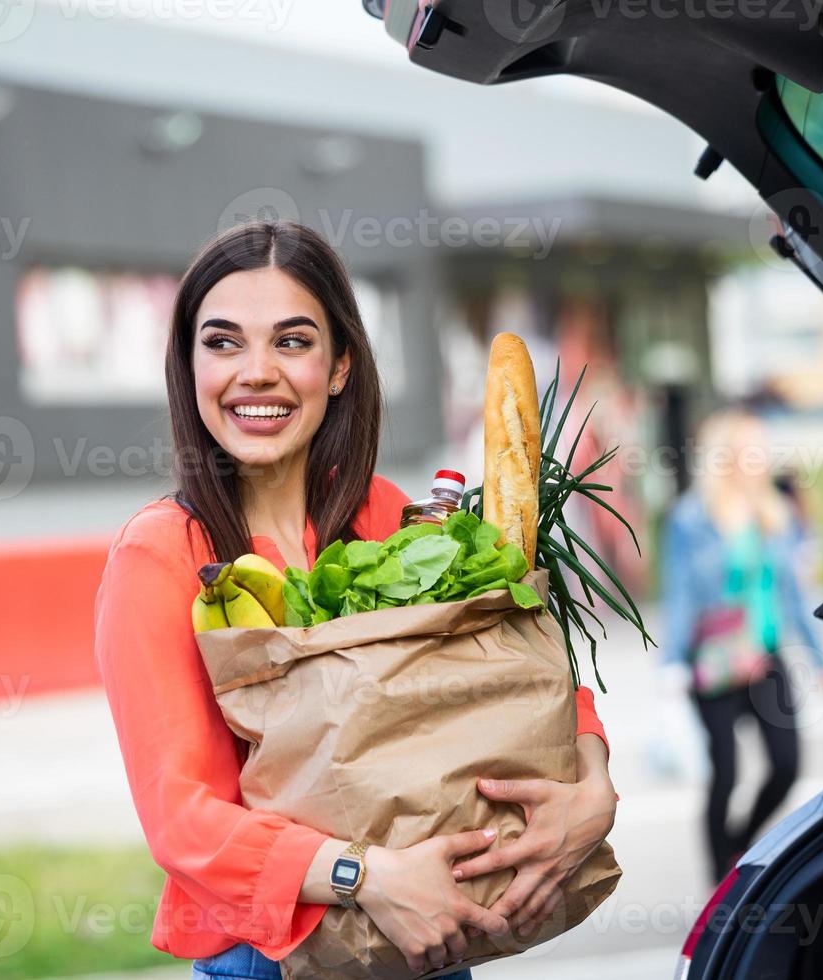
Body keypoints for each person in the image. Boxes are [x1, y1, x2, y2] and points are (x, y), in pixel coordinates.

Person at [93, 221, 617, 979]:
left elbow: (506, 663)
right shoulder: (161, 557)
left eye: (293, 341)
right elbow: (183, 821)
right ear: (189, 365)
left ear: (340, 366)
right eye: (223, 342)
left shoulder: (383, 514)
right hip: (280, 957)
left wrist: (592, 782)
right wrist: (365, 877)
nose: (256, 372)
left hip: (429, 945)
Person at [661, 404, 823, 886]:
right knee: (726, 774)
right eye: (754, 448)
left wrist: (819, 654)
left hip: (765, 654)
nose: (764, 457)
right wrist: (672, 663)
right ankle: (719, 877)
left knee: (786, 764)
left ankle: (739, 845)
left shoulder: (776, 513)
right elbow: (680, 594)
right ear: (728, 456)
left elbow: (795, 595)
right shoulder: (691, 518)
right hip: (712, 660)